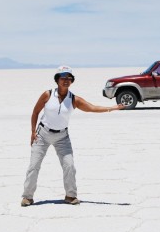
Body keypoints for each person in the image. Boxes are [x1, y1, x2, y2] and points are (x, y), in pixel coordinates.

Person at [21, 65, 124, 207]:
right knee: (34, 166)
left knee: (69, 165)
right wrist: (32, 132)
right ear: (57, 80)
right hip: (42, 135)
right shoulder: (47, 94)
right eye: (63, 78)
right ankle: (27, 197)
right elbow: (35, 112)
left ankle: (70, 196)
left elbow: (92, 108)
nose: (66, 80)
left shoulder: (74, 99)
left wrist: (112, 108)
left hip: (62, 137)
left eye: (69, 78)